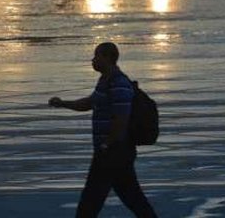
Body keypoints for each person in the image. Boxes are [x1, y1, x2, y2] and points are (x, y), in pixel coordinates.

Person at [49, 42, 157, 218]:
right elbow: (89, 103)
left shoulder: (119, 83)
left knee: (90, 203)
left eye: (96, 56)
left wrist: (106, 144)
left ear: (107, 57)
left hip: (113, 151)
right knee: (133, 198)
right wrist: (62, 104)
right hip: (114, 152)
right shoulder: (105, 80)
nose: (93, 60)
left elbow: (121, 119)